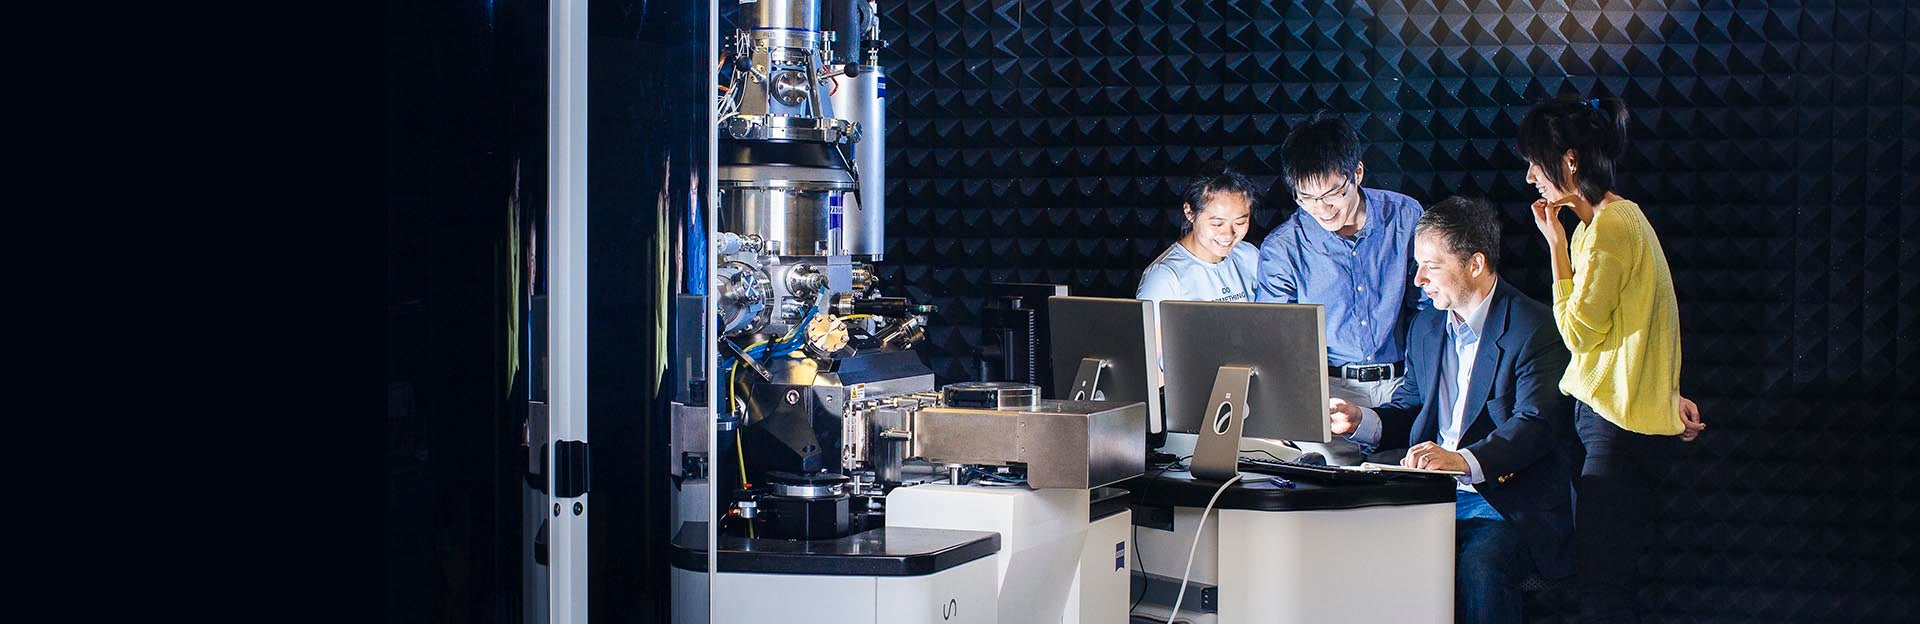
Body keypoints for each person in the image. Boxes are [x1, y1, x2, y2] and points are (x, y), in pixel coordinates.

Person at [1328, 196, 1573, 624]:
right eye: (1417, 265)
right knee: (1359, 551)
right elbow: (1412, 410)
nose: (1418, 279)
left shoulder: (1534, 327)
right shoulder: (1425, 327)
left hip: (1506, 502)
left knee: (1481, 568)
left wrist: (1461, 461)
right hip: (1432, 499)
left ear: (1475, 264)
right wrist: (1361, 421)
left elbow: (1535, 425)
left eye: (1431, 266)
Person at [1519, 95, 1705, 623]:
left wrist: (1555, 245)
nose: (1530, 177)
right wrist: (1666, 398)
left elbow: (1579, 333)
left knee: (1602, 586)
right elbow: (1642, 326)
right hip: (1616, 422)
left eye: (1535, 163)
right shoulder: (1609, 224)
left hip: (1613, 431)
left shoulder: (1607, 227)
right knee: (1605, 580)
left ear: (1569, 160)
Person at [1256, 110, 1428, 464]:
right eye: (1307, 198)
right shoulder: (1283, 247)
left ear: (1357, 173)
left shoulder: (1405, 216)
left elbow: (1427, 311)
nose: (1322, 208)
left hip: (1403, 389)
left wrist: (1423, 384)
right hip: (1327, 394)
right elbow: (1274, 339)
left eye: (1332, 193)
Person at [1136, 163, 1260, 305]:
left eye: (1240, 223)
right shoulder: (1164, 277)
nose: (1228, 235)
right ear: (1189, 212)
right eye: (1217, 224)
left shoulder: (1249, 255)